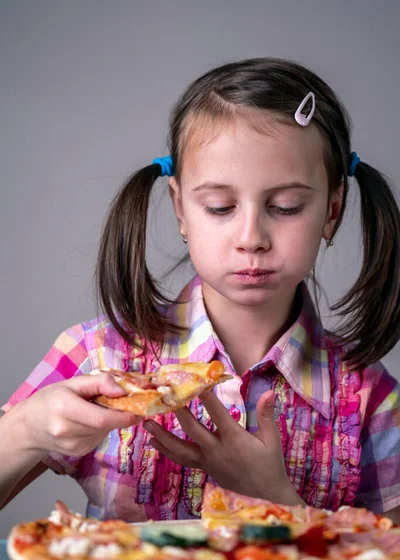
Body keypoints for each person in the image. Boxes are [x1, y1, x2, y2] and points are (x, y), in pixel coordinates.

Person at [1, 58, 400, 524]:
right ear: (181, 209)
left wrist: (278, 499)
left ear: (332, 211)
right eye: (220, 206)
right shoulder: (98, 357)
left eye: (286, 207)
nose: (251, 236)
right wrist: (26, 429)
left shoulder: (367, 397)